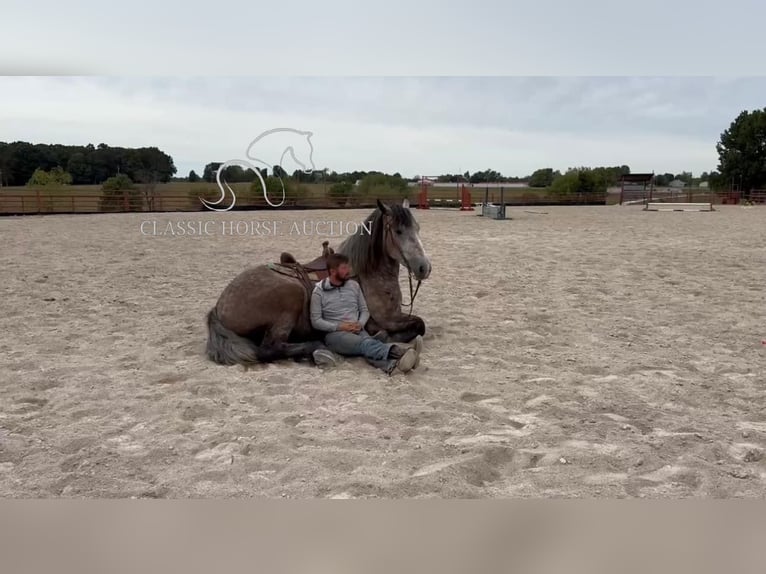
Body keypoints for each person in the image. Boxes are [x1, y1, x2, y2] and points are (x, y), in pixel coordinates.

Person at [310, 253, 422, 375]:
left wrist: (360, 323)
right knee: (366, 344)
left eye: (348, 267)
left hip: (357, 329)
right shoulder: (319, 292)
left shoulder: (354, 286)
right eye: (344, 268)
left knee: (367, 348)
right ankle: (402, 352)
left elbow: (364, 310)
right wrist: (339, 326)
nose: (349, 270)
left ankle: (393, 366)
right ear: (332, 271)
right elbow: (316, 321)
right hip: (335, 335)